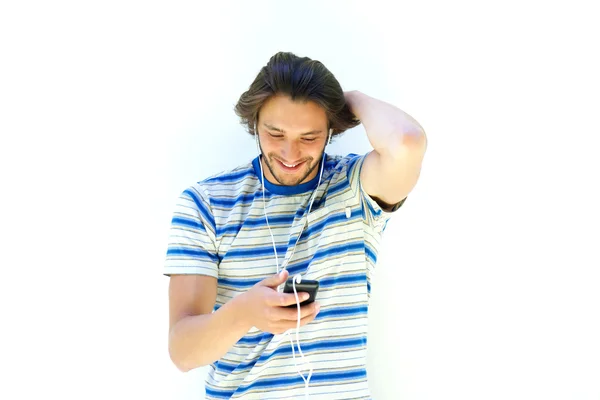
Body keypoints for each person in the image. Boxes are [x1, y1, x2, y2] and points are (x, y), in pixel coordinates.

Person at [164, 51, 427, 399]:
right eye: (275, 134)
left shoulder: (354, 189)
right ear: (254, 123)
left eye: (309, 137)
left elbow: (407, 143)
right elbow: (183, 352)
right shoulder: (206, 203)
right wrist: (245, 312)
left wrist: (350, 100)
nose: (290, 155)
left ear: (331, 131)